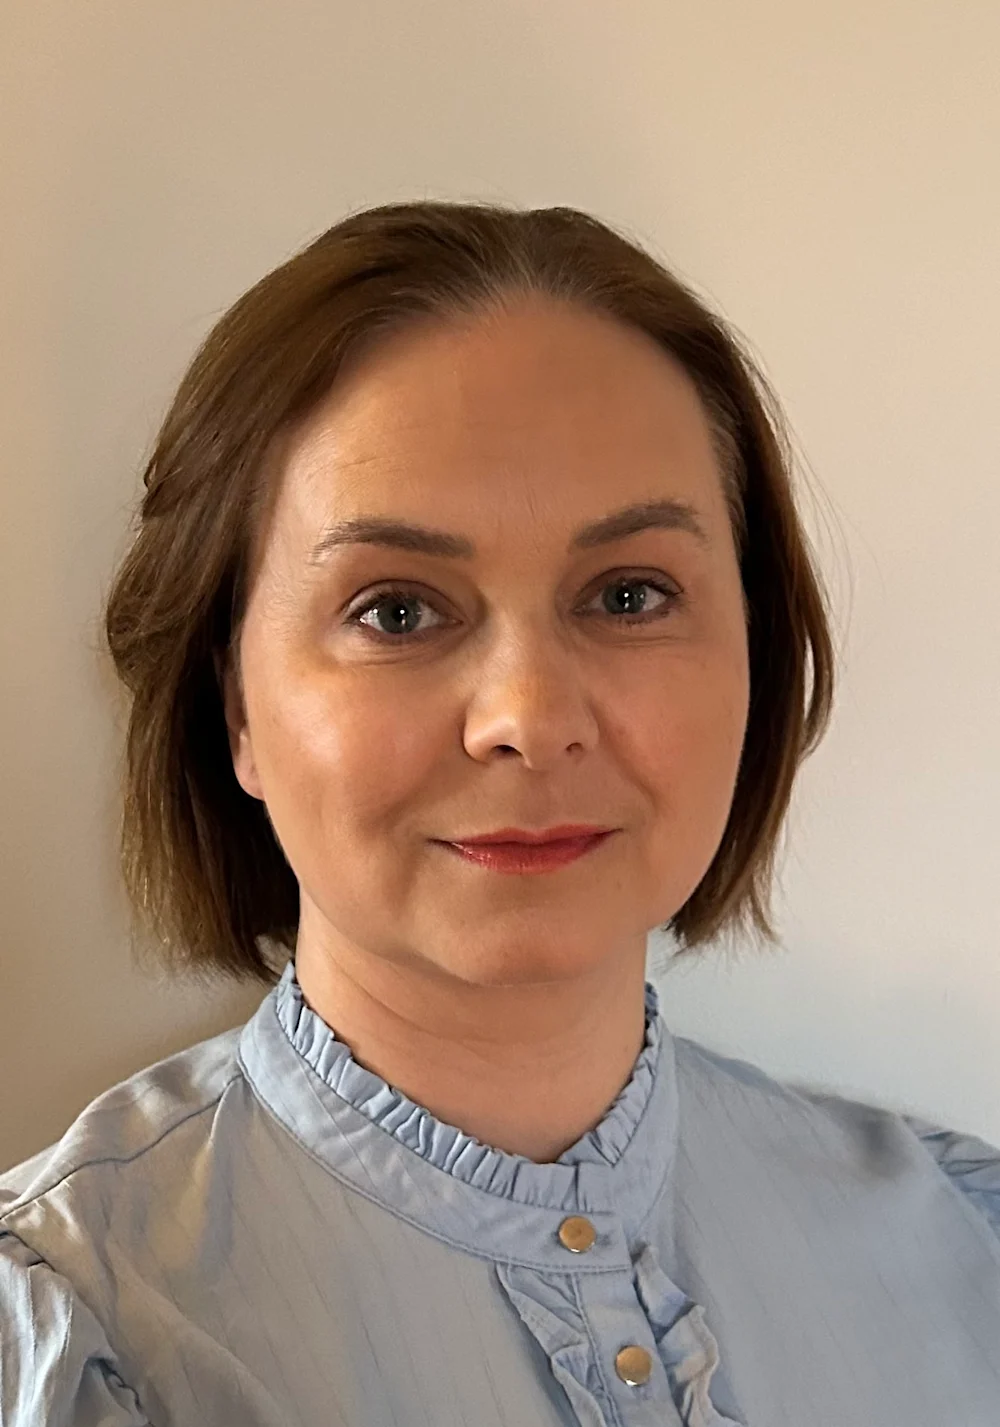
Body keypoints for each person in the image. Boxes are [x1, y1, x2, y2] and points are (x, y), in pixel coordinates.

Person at [1, 199, 997, 1427]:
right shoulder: (77, 1325)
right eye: (396, 610)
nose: (529, 715)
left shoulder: (964, 1244)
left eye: (628, 594)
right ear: (236, 706)